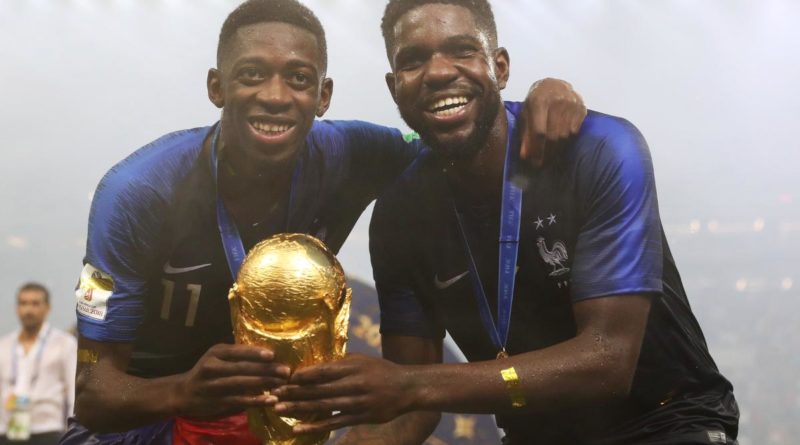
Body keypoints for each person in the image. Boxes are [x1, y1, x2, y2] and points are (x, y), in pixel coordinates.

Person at [62, 0, 587, 443]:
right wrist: (182, 391)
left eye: (298, 79)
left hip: (269, 427)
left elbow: (460, 132)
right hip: (145, 423)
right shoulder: (136, 193)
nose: (275, 95)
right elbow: (94, 396)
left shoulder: (353, 153)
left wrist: (541, 92)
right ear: (216, 87)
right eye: (251, 75)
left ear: (323, 95)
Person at [270, 1, 740, 444]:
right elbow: (409, 408)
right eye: (413, 61)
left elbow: (608, 360)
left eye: (461, 50)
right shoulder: (398, 213)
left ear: (500, 67)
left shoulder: (599, 149)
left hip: (666, 422)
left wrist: (410, 385)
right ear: (395, 88)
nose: (437, 71)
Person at [0, 283, 76, 445]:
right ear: (17, 308)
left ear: (47, 308)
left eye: (35, 304)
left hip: (47, 430)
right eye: (23, 303)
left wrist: (73, 434)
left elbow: (73, 392)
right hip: (8, 432)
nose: (28, 310)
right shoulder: (4, 346)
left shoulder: (64, 343)